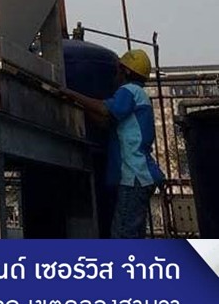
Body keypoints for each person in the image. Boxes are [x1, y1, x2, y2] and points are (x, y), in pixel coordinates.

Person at [63, 49, 165, 238]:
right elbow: (106, 121)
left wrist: (70, 93)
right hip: (140, 176)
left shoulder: (129, 91)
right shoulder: (138, 95)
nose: (114, 75)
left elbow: (104, 109)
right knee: (132, 234)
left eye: (117, 70)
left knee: (122, 235)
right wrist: (81, 106)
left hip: (134, 176)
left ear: (125, 71)